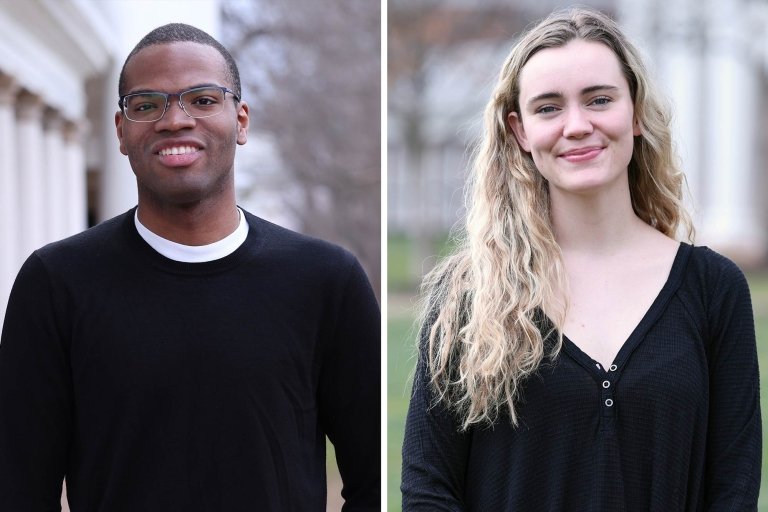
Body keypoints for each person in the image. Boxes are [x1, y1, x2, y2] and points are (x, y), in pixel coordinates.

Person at [0, 23, 380, 511]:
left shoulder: (327, 280)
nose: (174, 120)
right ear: (121, 131)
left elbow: (374, 479)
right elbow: (18, 487)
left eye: (202, 99)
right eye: (146, 105)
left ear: (241, 120)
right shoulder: (55, 283)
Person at [401, 8, 760, 511]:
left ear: (634, 113)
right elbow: (428, 490)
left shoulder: (713, 290)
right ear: (520, 131)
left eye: (599, 100)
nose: (576, 125)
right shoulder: (466, 295)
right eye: (548, 108)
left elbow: (735, 487)